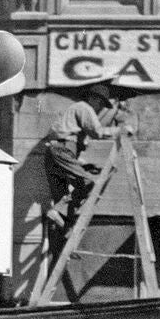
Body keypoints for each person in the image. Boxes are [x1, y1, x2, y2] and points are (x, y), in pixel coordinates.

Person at [42, 83, 118, 224]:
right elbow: (98, 132)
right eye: (100, 103)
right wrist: (119, 131)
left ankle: (61, 221)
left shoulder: (74, 111)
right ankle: (58, 211)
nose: (100, 107)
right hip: (62, 150)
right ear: (92, 98)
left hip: (55, 152)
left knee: (66, 193)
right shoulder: (85, 108)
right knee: (91, 181)